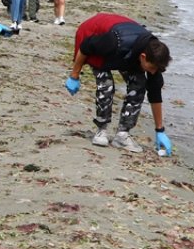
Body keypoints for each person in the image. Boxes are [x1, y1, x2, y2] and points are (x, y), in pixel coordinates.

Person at [65, 13, 173, 156]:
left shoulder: (155, 58)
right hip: (93, 34)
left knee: (139, 85)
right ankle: (101, 130)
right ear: (143, 57)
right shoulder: (114, 42)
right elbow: (86, 46)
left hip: (125, 52)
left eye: (156, 70)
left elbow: (155, 94)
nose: (153, 72)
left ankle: (122, 135)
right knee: (107, 84)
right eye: (151, 68)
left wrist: (160, 130)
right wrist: (74, 75)